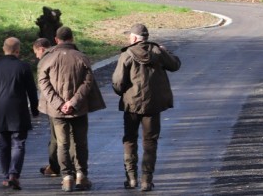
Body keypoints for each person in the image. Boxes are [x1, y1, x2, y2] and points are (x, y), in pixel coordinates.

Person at [111, 23, 181, 192]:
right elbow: (175, 65)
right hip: (153, 105)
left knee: (129, 139)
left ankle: (131, 178)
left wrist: (123, 93)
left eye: (130, 37)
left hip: (132, 104)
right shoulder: (157, 52)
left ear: (134, 38)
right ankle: (146, 180)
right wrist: (165, 51)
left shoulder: (127, 54)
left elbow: (118, 83)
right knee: (150, 142)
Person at [38, 26, 106, 192]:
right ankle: (81, 175)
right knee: (80, 143)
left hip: (57, 111)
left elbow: (43, 82)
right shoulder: (81, 57)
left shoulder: (48, 58)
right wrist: (73, 102)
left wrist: (59, 104)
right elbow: (87, 83)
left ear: (56, 40)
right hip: (79, 108)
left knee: (63, 144)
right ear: (72, 38)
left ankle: (67, 177)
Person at [0, 37, 39, 190]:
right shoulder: (24, 67)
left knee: (4, 145)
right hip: (19, 111)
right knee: (19, 144)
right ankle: (14, 174)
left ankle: (5, 176)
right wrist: (34, 109)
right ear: (18, 50)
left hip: (1, 111)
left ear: (4, 49)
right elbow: (32, 91)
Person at [32, 38, 63, 177]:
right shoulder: (60, 55)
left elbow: (44, 85)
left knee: (55, 138)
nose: (36, 56)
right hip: (69, 103)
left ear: (41, 49)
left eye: (36, 53)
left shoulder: (45, 60)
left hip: (53, 104)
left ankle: (55, 166)